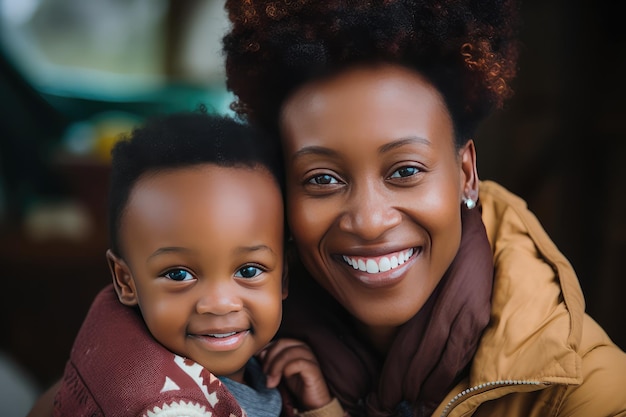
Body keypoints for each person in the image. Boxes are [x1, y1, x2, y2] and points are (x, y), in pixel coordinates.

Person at [221, 1, 626, 416]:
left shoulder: (586, 395)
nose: (369, 221)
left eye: (405, 170)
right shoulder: (224, 356)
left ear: (466, 173)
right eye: (322, 179)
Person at [50, 111, 344, 417]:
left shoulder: (271, 373)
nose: (219, 304)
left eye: (249, 271)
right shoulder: (159, 405)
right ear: (126, 281)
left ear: (283, 276)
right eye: (179, 275)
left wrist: (319, 408)